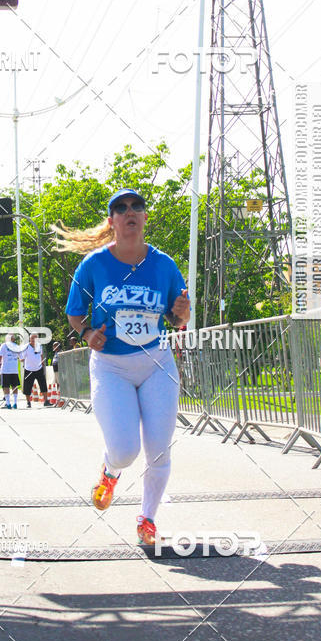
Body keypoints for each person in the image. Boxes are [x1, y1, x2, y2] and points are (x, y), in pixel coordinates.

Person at [60, 188, 190, 546]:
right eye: (121, 208)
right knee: (124, 449)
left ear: (145, 217)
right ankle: (110, 472)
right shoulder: (94, 265)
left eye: (137, 206)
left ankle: (147, 519)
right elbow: (74, 313)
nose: (130, 211)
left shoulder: (163, 264)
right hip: (111, 367)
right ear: (112, 221)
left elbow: (180, 314)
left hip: (156, 363)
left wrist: (181, 313)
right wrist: (87, 333)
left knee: (159, 449)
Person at [21, 333, 51, 408]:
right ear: (30, 339)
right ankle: (28, 402)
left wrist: (43, 364)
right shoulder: (26, 347)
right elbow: (22, 358)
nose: (34, 340)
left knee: (43, 385)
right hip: (29, 369)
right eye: (32, 338)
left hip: (39, 369)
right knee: (27, 387)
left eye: (36, 338)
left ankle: (46, 401)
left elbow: (41, 356)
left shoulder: (39, 346)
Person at [0, 334, 22, 409]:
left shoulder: (3, 346)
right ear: (13, 339)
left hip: (6, 370)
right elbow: (21, 358)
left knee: (6, 386)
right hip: (14, 370)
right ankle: (15, 403)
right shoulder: (17, 346)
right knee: (14, 386)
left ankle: (8, 403)